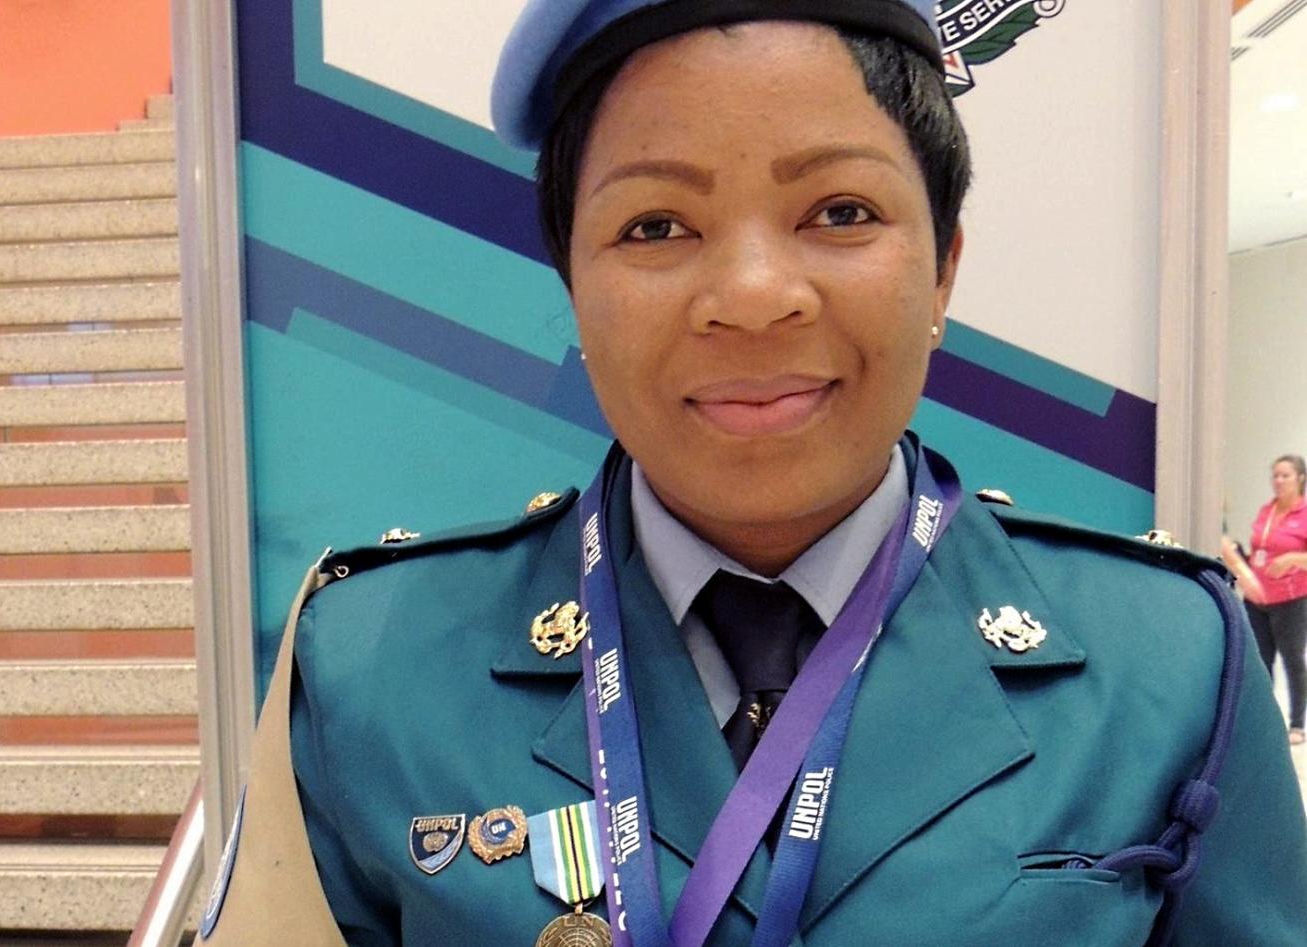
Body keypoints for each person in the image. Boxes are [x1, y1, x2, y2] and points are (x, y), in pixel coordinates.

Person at [195, 2, 1307, 944]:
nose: (754, 294)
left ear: (942, 270)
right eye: (656, 225)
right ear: (573, 284)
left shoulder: (1166, 662)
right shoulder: (373, 668)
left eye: (840, 212)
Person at [1242, 454, 1307, 745]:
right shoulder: (1266, 510)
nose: (1278, 481)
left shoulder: (1304, 514)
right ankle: (1265, 721)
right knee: (1260, 660)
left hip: (1291, 600)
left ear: (1300, 479)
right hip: (1257, 599)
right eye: (1275, 475)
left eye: (1285, 476)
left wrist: (1293, 558)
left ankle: (1297, 724)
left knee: (1292, 660)